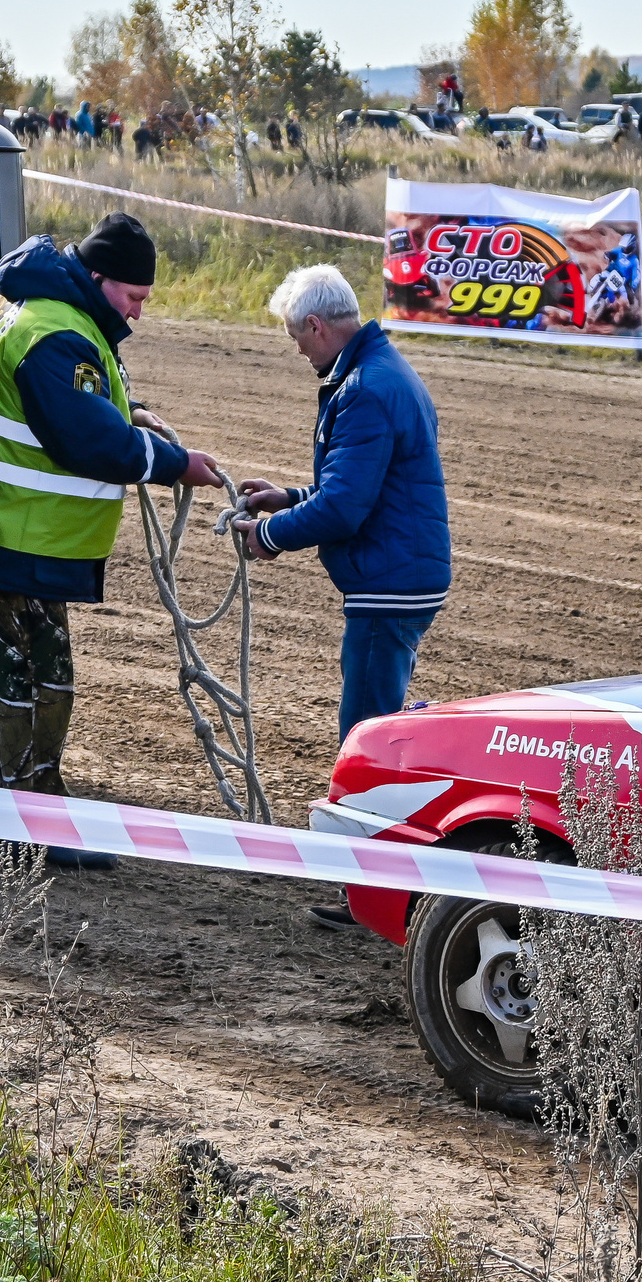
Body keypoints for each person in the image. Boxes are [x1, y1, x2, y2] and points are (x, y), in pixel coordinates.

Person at [0, 212, 221, 868]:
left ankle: (21, 814)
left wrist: (129, 412)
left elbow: (68, 405)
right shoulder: (53, 332)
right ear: (99, 279)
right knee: (9, 685)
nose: (139, 313)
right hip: (8, 538)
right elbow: (84, 437)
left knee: (28, 680)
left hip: (12, 534)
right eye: (134, 297)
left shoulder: (39, 305)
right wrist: (174, 462)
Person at [231, 265, 450, 921]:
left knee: (366, 734)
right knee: (380, 720)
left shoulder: (366, 390)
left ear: (318, 326)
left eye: (297, 337)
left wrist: (270, 534)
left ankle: (370, 892)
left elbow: (347, 509)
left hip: (392, 585)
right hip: (401, 575)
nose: (297, 349)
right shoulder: (381, 374)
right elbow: (354, 489)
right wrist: (292, 496)